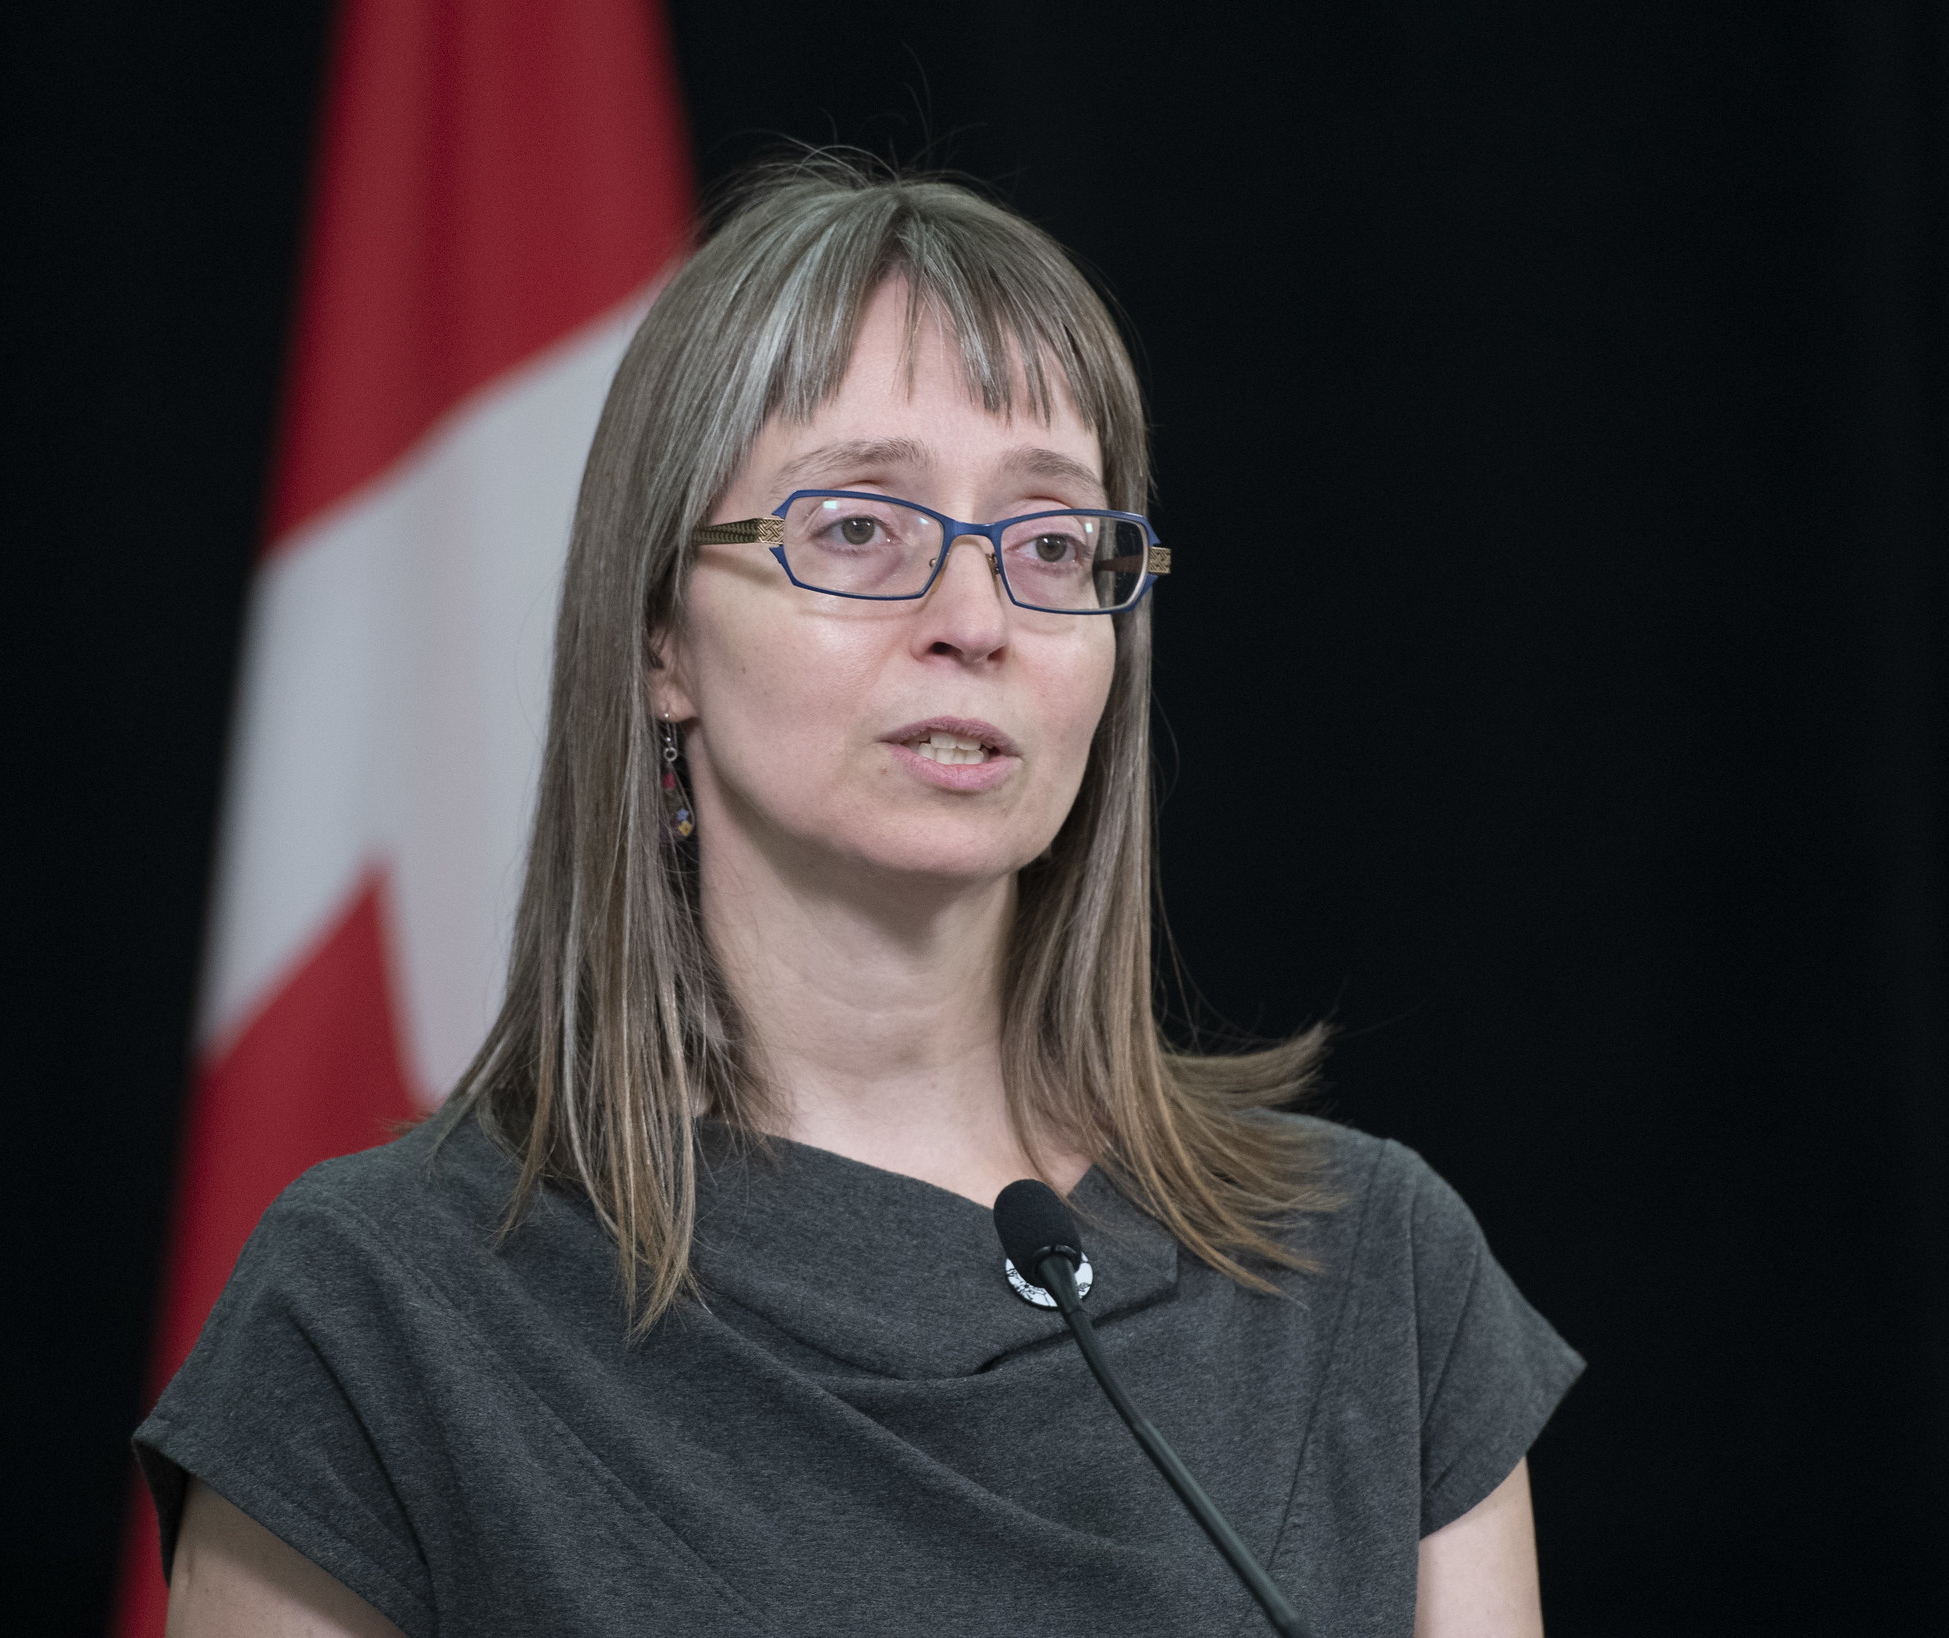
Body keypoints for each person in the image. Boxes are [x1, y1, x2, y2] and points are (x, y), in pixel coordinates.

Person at [137, 159, 1581, 1638]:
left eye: (1049, 543)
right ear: (662, 638)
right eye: (856, 528)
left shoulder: (1378, 1275)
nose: (975, 619)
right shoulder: (376, 1313)